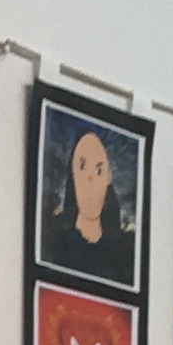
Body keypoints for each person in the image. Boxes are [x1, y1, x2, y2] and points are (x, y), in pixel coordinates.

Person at [47, 118, 140, 286]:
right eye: (82, 166)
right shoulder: (58, 246)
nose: (90, 179)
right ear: (72, 174)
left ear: (108, 177)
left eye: (99, 170)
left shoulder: (123, 255)